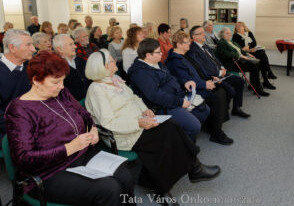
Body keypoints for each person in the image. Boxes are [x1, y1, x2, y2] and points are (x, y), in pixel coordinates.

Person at [85, 49, 220, 204]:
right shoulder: (97, 90)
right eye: (110, 61)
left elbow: (134, 98)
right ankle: (165, 187)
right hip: (122, 134)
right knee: (165, 136)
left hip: (140, 122)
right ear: (102, 67)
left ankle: (191, 169)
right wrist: (138, 122)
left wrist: (145, 110)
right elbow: (108, 122)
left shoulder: (114, 79)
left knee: (172, 125)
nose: (115, 61)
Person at [5, 51, 135, 205]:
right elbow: (24, 159)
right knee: (109, 188)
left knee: (124, 174)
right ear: (36, 81)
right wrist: (71, 147)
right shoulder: (20, 110)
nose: (61, 86)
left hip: (80, 155)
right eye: (55, 82)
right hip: (48, 172)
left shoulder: (62, 94)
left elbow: (85, 115)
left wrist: (93, 129)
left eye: (63, 81)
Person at [128, 39, 211, 142]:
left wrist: (184, 82)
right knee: (194, 126)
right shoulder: (140, 73)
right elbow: (155, 95)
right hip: (162, 106)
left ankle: (184, 139)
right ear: (148, 55)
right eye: (158, 52)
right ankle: (183, 148)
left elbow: (172, 78)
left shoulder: (157, 63)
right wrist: (179, 102)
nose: (161, 53)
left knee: (204, 111)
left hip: (175, 96)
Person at [166, 32, 235, 145]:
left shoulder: (185, 55)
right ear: (178, 44)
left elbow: (199, 70)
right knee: (218, 95)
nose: (189, 43)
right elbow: (187, 79)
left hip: (200, 83)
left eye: (189, 41)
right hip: (190, 90)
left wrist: (209, 78)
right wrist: (205, 84)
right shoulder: (175, 61)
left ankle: (213, 126)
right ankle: (216, 133)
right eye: (186, 42)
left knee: (222, 91)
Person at [186, 26, 250, 118]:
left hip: (220, 72)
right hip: (211, 77)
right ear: (194, 36)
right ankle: (223, 111)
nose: (204, 34)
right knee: (230, 91)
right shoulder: (193, 50)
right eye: (201, 33)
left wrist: (222, 67)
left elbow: (215, 59)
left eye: (203, 32)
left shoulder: (205, 46)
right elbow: (203, 68)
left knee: (240, 81)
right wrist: (219, 73)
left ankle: (236, 108)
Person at [0, 29, 35, 144]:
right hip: (10, 131)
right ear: (12, 48)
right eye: (28, 45)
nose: (33, 49)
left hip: (32, 124)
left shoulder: (30, 67)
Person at [216, 27, 271, 97]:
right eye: (227, 33)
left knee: (257, 64)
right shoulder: (221, 43)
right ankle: (257, 89)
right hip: (233, 63)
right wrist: (240, 56)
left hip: (239, 60)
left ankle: (254, 86)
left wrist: (247, 54)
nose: (230, 34)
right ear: (222, 34)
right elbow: (226, 54)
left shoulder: (231, 41)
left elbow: (240, 49)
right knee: (254, 67)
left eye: (230, 33)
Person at [53, 34, 91, 101]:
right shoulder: (55, 66)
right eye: (71, 44)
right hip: (73, 104)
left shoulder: (80, 60)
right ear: (60, 49)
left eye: (74, 44)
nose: (75, 47)